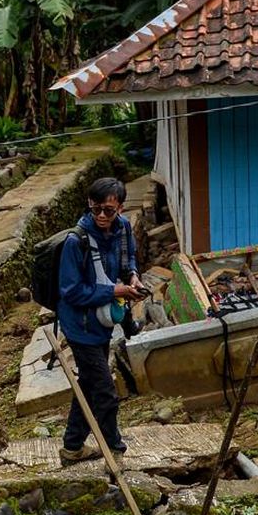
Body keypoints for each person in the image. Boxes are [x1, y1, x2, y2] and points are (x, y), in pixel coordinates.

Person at [57, 177, 144, 464]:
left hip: (102, 323)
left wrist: (132, 276)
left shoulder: (122, 228)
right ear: (89, 206)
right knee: (105, 390)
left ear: (120, 207)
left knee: (90, 385)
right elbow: (70, 291)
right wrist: (116, 290)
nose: (103, 217)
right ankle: (114, 451)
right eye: (97, 210)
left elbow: (128, 258)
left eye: (110, 210)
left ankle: (72, 447)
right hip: (80, 327)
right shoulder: (76, 241)